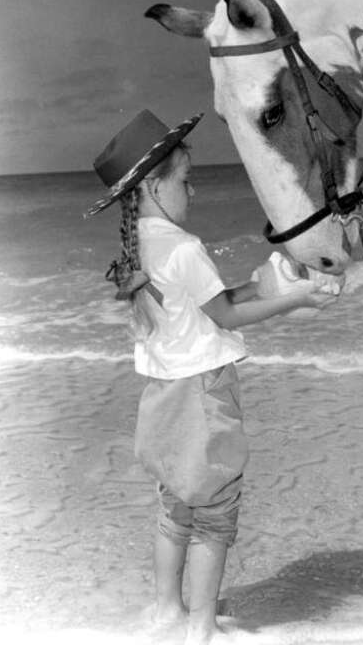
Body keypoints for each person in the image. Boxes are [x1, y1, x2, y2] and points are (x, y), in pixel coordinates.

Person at [86, 109, 336, 645]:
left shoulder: (141, 247)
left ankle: (167, 611)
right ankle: (202, 627)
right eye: (186, 179)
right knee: (216, 516)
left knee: (175, 506)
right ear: (153, 187)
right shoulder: (183, 247)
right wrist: (296, 298)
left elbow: (206, 305)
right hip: (203, 396)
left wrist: (263, 285)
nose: (193, 191)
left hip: (162, 399)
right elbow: (224, 315)